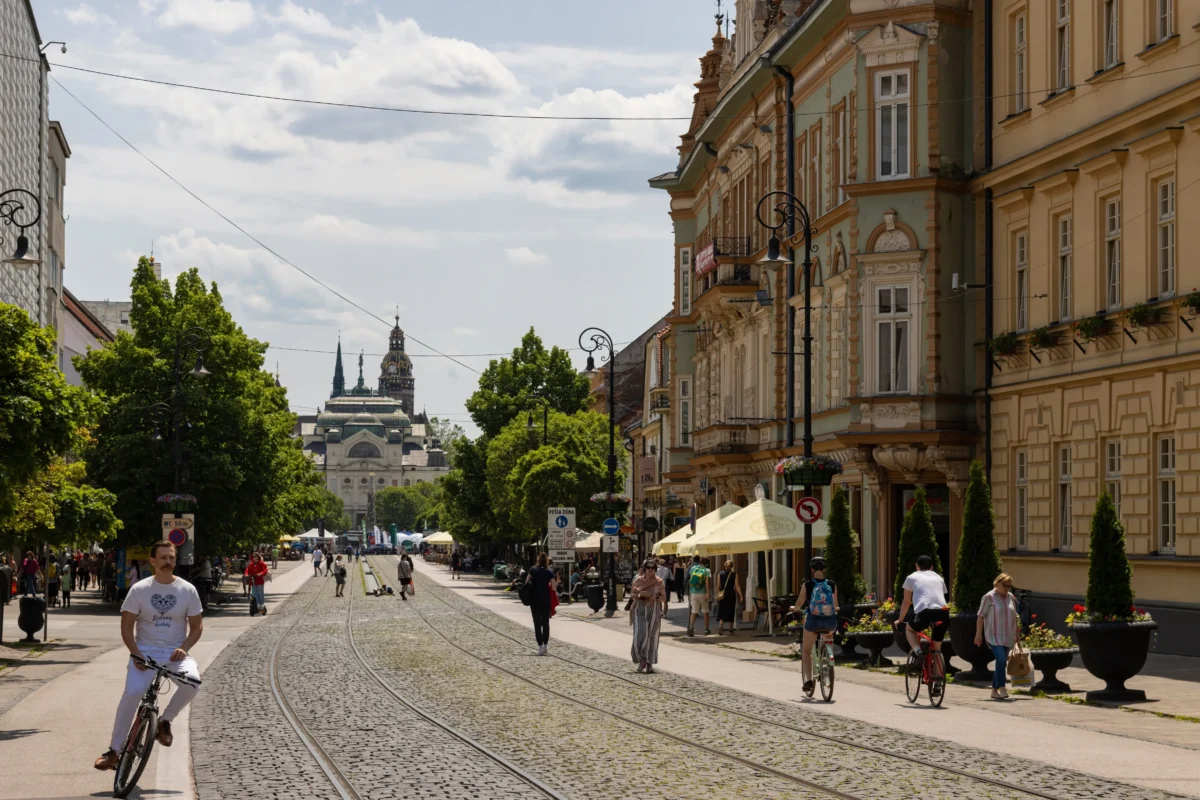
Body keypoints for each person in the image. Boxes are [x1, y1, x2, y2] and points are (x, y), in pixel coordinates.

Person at [94, 540, 203, 771]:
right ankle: (114, 751)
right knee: (132, 693)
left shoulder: (187, 590)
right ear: (152, 560)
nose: (168, 562)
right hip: (144, 652)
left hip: (175, 653)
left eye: (171, 557)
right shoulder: (140, 589)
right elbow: (126, 628)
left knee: (193, 683)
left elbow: (196, 627)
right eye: (163, 557)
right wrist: (136, 654)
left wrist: (184, 647)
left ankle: (165, 721)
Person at [895, 555, 951, 692]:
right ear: (932, 567)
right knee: (937, 649)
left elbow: (906, 601)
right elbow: (941, 596)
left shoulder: (912, 577)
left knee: (910, 629)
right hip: (943, 613)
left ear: (916, 566)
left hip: (925, 612)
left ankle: (918, 652)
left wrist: (900, 619)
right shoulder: (939, 578)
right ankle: (938, 684)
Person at [789, 557, 840, 696]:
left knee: (806, 651)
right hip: (830, 622)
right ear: (824, 569)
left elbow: (800, 602)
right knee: (828, 636)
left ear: (812, 569)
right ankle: (828, 655)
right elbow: (835, 606)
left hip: (813, 622)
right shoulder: (832, 584)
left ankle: (808, 681)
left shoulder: (808, 584)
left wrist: (794, 608)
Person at [975, 572, 1019, 700]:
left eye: (1009, 586)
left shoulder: (1010, 597)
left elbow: (1015, 617)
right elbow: (981, 616)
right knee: (1000, 659)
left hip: (1008, 635)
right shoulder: (989, 597)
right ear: (997, 583)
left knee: (1002, 662)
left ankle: (994, 691)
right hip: (993, 635)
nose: (1007, 588)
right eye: (1005, 585)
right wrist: (978, 634)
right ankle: (1002, 687)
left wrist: (1017, 634)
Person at [630, 558, 667, 673]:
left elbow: (664, 598)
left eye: (653, 568)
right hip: (640, 609)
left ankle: (649, 663)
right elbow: (632, 594)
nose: (650, 570)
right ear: (644, 569)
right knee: (640, 634)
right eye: (648, 568)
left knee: (652, 636)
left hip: (654, 610)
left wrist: (655, 597)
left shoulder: (659, 582)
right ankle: (641, 659)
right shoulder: (638, 580)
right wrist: (638, 594)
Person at [524, 553, 557, 655]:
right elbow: (554, 588)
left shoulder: (533, 570)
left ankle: (540, 646)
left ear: (538, 559)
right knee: (546, 623)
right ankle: (546, 645)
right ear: (547, 560)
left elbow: (526, 583)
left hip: (535, 600)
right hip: (546, 600)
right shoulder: (550, 572)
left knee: (537, 624)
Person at [686, 556, 712, 637]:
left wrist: (690, 591)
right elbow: (707, 582)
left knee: (694, 611)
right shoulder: (707, 570)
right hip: (702, 593)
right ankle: (706, 629)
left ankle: (691, 627)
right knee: (705, 611)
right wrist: (708, 593)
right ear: (707, 563)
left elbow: (690, 580)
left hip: (693, 593)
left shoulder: (693, 568)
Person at [715, 560, 743, 636]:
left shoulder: (720, 574)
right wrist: (741, 595)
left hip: (723, 594)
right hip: (731, 594)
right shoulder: (734, 574)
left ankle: (721, 625)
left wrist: (717, 595)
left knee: (722, 609)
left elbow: (718, 586)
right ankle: (730, 629)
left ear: (725, 566)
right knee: (731, 610)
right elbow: (737, 586)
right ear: (732, 566)